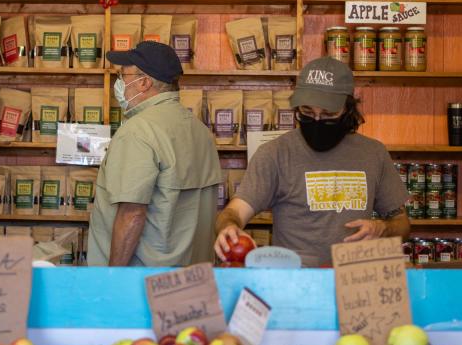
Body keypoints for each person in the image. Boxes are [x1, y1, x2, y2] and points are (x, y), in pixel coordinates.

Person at [214, 56, 411, 267]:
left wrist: (383, 228)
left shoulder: (374, 153)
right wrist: (229, 227)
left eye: (328, 114)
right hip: (295, 284)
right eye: (307, 112)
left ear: (348, 108)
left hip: (354, 283)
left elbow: (402, 224)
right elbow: (234, 211)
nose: (317, 121)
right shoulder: (274, 153)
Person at [87, 41, 222, 267]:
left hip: (143, 284)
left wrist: (113, 279)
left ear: (144, 83)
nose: (119, 83)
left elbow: (132, 214)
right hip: (192, 279)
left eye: (123, 75)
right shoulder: (201, 131)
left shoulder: (138, 132)